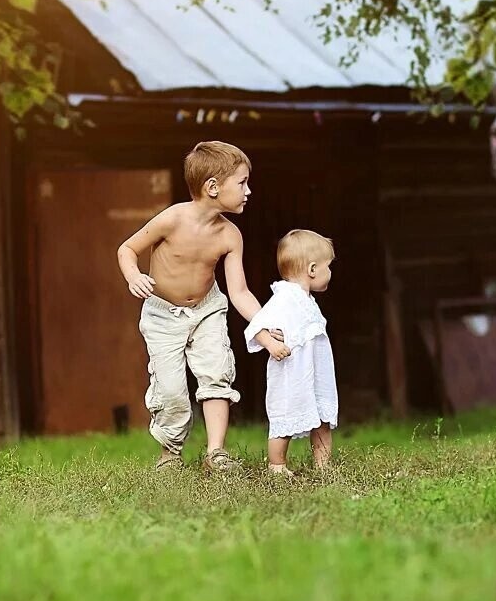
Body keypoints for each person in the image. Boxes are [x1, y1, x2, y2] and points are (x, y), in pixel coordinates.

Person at [116, 141, 282, 472]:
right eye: (242, 183)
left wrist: (265, 328)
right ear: (212, 187)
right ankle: (171, 453)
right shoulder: (172, 219)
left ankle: (216, 452)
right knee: (171, 389)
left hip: (207, 309)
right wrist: (133, 276)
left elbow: (239, 292)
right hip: (163, 315)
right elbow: (127, 248)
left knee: (217, 371)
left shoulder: (230, 235)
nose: (248, 191)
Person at [244, 230, 338, 476]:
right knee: (284, 420)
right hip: (292, 374)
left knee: (322, 419)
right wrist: (271, 344)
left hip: (316, 375)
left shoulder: (306, 299)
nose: (331, 273)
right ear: (313, 269)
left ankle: (323, 467)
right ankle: (277, 466)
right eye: (329, 267)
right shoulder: (284, 297)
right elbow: (256, 326)